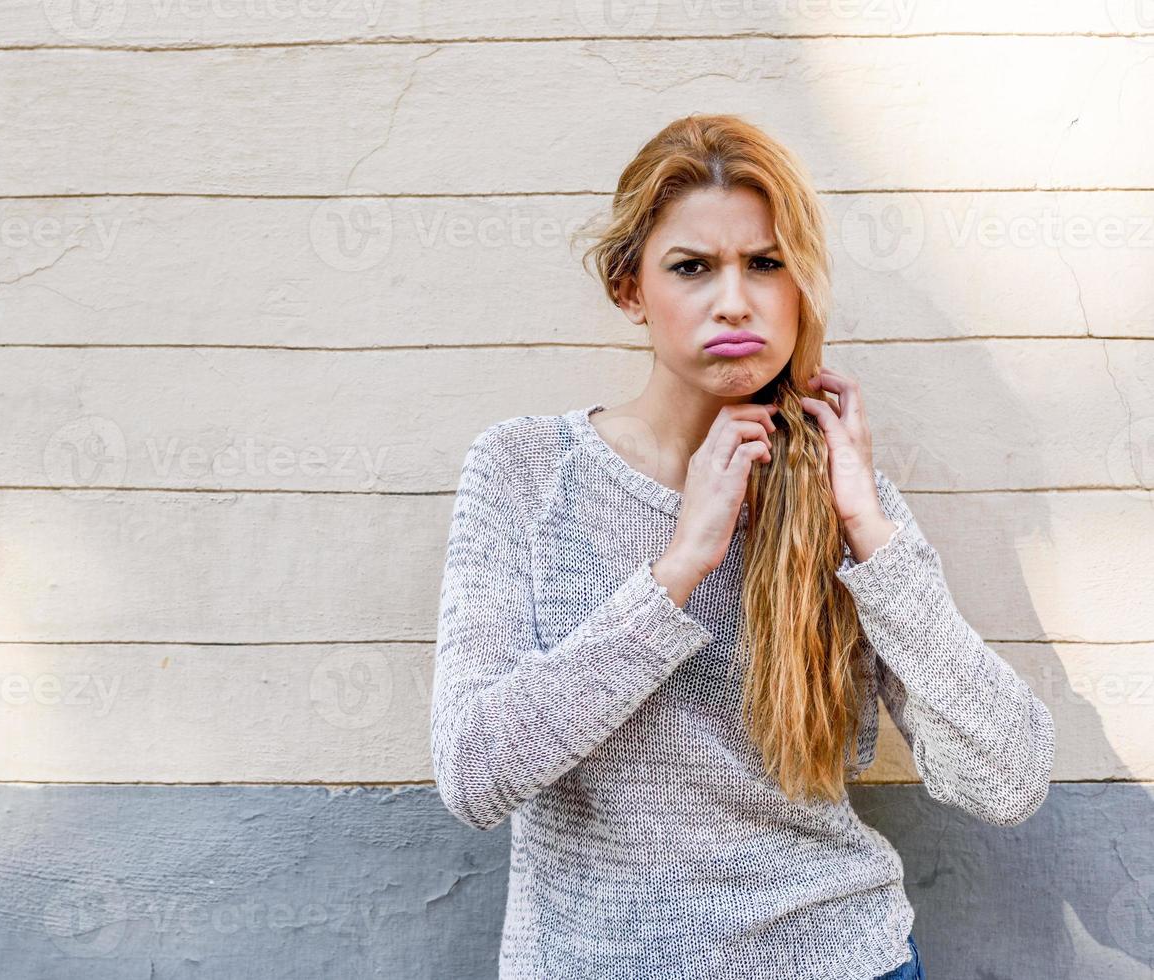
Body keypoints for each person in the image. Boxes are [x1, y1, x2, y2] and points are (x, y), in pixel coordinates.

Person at [428, 114, 1054, 980]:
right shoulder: (525, 471)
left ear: (799, 287)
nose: (734, 300)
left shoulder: (841, 493)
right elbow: (474, 774)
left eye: (765, 264)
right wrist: (678, 567)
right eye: (691, 267)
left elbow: (1008, 779)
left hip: (836, 957)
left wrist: (870, 535)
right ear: (629, 289)